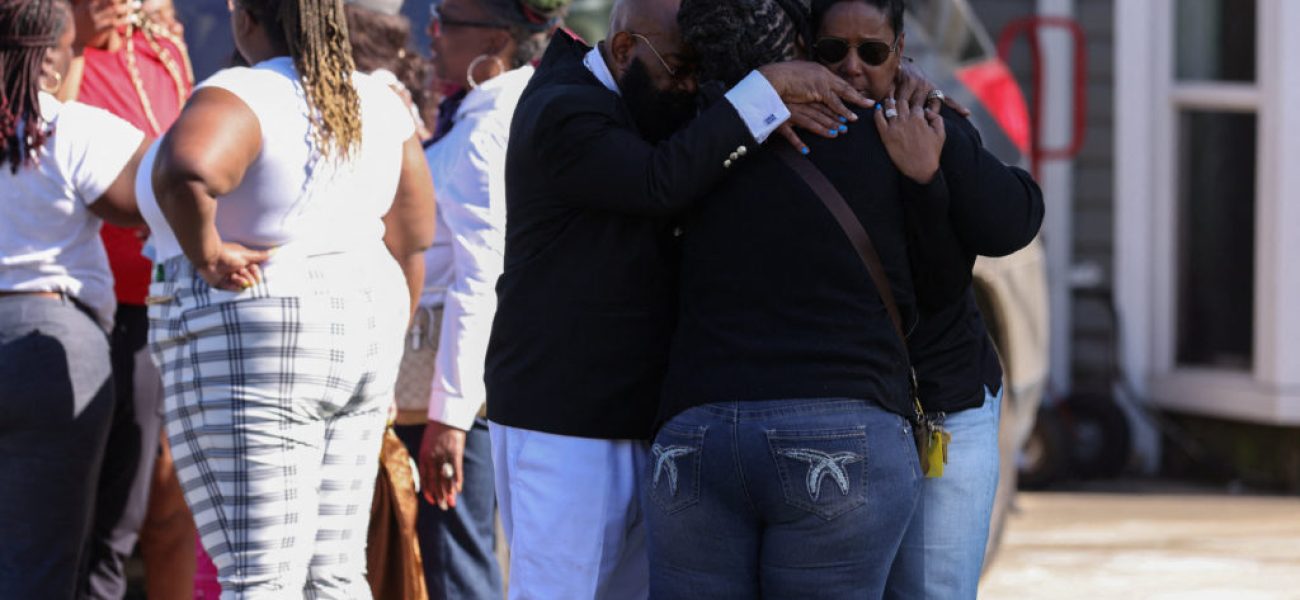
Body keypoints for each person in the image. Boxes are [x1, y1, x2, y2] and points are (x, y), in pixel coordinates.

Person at [485, 0, 873, 596]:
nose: (691, 84)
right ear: (622, 50)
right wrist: (764, 92)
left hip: (634, 418)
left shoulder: (636, 88)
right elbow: (657, 180)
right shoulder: (564, 107)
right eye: (681, 67)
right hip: (564, 421)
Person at [139, 0, 436, 594]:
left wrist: (208, 253)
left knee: (260, 577)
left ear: (246, 17)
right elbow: (414, 237)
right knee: (335, 572)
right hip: (363, 328)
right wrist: (386, 338)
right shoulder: (380, 100)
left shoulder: (245, 91)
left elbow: (188, 168)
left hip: (255, 334)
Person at [807, 1, 1044, 597]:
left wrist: (932, 161)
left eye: (874, 52)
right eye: (832, 51)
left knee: (933, 590)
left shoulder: (927, 120)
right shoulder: (777, 130)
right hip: (835, 413)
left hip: (941, 402)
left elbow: (1009, 224)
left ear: (903, 49)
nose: (853, 67)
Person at [395, 0, 572, 597]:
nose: (432, 36)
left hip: (457, 393)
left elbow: (480, 275)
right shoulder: (493, 114)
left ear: (495, 41)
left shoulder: (487, 129)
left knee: (456, 565)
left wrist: (450, 416)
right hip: (464, 386)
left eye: (446, 24)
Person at [0, 1, 150, 598]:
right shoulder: (72, 129)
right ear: (48, 63)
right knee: (41, 560)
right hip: (53, 352)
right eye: (70, 52)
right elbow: (159, 195)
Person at [61, 1, 201, 597]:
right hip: (76, 308)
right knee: (69, 517)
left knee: (158, 507)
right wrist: (73, 41)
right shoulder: (49, 47)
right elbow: (40, 140)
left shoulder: (162, 50)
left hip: (158, 308)